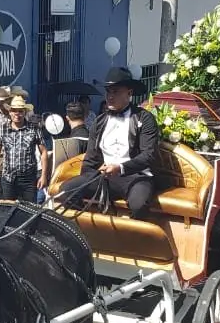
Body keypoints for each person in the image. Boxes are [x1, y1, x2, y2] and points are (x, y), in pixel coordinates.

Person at [59, 68, 159, 219]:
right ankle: (88, 232)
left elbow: (149, 155)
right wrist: (88, 179)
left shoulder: (144, 118)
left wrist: (121, 168)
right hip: (105, 176)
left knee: (139, 204)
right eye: (108, 92)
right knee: (67, 190)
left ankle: (133, 239)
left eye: (116, 92)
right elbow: (91, 158)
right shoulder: (99, 122)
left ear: (129, 93)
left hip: (135, 176)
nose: (110, 97)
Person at [0, 95, 48, 201]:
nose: (17, 114)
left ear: (25, 112)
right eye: (14, 111)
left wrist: (43, 176)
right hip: (8, 178)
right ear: (10, 112)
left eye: (20, 111)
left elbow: (44, 152)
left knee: (30, 211)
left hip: (28, 178)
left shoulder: (34, 128)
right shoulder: (2, 129)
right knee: (8, 210)